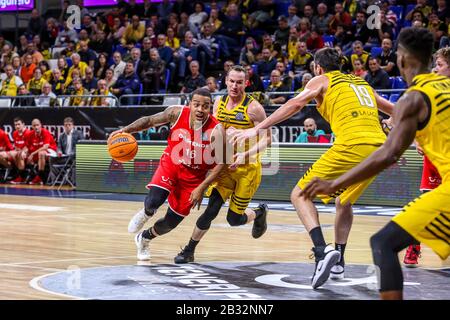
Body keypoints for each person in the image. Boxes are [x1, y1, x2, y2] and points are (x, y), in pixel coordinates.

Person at [300, 28, 450, 300]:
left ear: (402, 59)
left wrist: (335, 183)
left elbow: (388, 154)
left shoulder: (414, 97)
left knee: (383, 243)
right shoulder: (446, 88)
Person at [233, 47, 394, 289]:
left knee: (299, 194)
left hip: (354, 144)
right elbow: (396, 110)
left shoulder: (322, 79)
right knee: (344, 202)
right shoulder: (362, 84)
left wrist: (257, 128)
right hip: (380, 150)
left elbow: (296, 104)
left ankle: (322, 251)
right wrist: (395, 125)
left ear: (318, 68)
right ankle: (339, 261)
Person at [110, 88, 225, 261]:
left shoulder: (217, 130)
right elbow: (149, 121)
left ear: (211, 108)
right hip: (172, 163)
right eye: (197, 105)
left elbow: (222, 163)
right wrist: (125, 130)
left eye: (205, 106)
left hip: (194, 178)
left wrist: (202, 187)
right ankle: (146, 213)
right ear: (189, 105)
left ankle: (144, 238)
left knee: (170, 223)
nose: (200, 109)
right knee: (154, 201)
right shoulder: (176, 113)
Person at [174, 65, 271, 264]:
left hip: (247, 170)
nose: (235, 86)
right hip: (224, 167)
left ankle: (260, 212)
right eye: (232, 81)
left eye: (239, 82)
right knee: (210, 210)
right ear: (225, 81)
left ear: (246, 83)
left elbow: (267, 139)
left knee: (233, 220)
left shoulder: (254, 108)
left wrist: (244, 153)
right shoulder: (218, 102)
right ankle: (189, 250)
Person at [402, 46, 450, 267]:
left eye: (439, 65)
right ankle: (413, 248)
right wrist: (417, 141)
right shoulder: (431, 91)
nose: (435, 69)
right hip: (435, 159)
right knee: (424, 205)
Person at [26, 118, 58, 185]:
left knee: (41, 153)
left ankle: (40, 176)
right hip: (37, 153)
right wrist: (27, 154)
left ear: (41, 125)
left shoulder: (45, 132)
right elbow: (27, 147)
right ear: (32, 127)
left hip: (51, 152)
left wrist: (32, 154)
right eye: (34, 126)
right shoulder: (30, 134)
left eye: (37, 125)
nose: (36, 127)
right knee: (22, 155)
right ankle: (22, 176)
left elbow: (45, 147)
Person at [9, 118, 31, 184]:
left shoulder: (28, 133)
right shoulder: (15, 133)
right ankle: (17, 174)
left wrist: (22, 151)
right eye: (15, 125)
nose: (17, 126)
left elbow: (28, 147)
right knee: (10, 154)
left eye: (19, 124)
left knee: (20, 154)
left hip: (28, 153)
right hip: (19, 153)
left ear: (23, 124)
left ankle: (21, 177)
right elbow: (16, 146)